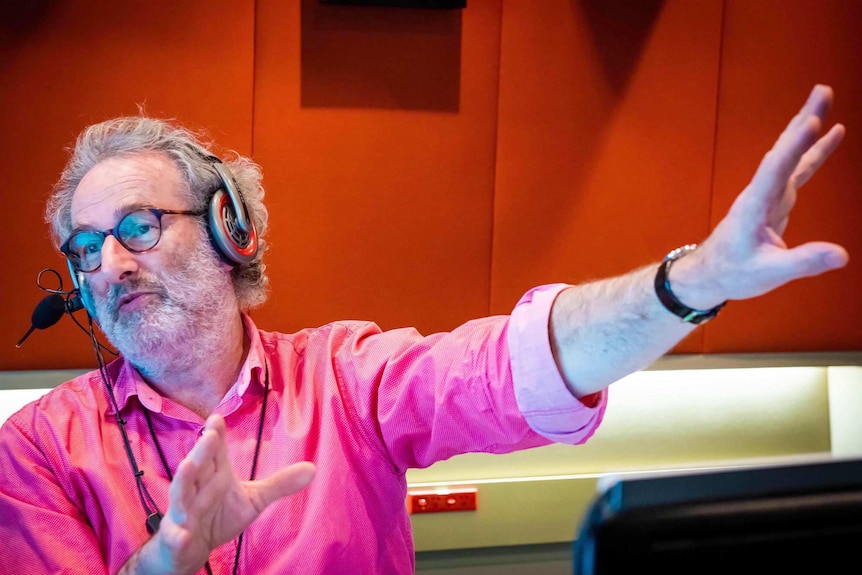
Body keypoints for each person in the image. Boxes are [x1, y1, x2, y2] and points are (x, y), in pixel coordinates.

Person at [0, 84, 848, 575]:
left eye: (137, 226)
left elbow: (516, 364)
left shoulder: (346, 379)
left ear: (231, 230)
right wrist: (162, 565)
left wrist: (692, 282)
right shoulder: (38, 446)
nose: (106, 264)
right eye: (83, 247)